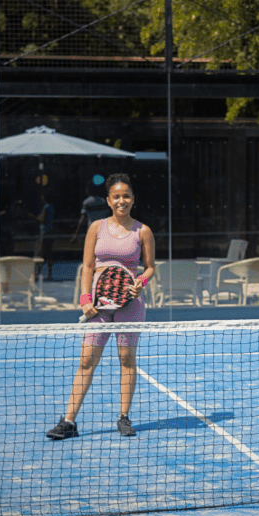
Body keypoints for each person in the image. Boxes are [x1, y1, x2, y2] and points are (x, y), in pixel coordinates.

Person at [48, 174, 156, 440]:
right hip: (97, 305)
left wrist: (140, 282)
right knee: (86, 360)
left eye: (126, 195)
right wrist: (85, 299)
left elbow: (150, 267)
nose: (122, 201)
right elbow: (87, 266)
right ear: (108, 200)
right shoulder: (96, 227)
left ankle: (124, 418)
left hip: (130, 304)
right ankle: (69, 422)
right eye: (116, 196)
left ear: (133, 199)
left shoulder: (142, 231)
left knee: (126, 359)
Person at [33, 191, 55, 280]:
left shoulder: (46, 207)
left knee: (40, 253)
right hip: (50, 232)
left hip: (45, 233)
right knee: (49, 253)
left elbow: (42, 220)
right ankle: (49, 273)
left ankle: (38, 273)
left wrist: (34, 217)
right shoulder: (52, 207)